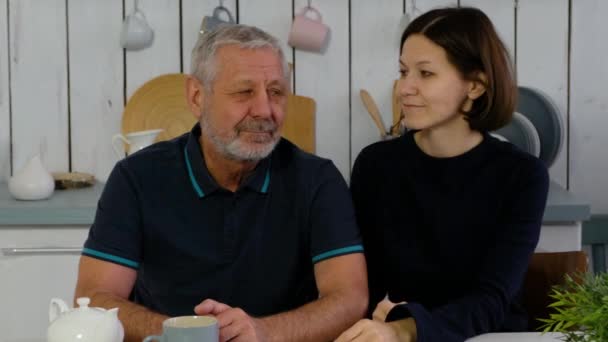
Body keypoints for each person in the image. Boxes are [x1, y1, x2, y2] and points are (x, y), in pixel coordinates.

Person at [74, 25, 368, 342]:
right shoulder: (136, 178)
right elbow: (95, 298)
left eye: (276, 92)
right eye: (244, 92)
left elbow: (350, 298)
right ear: (197, 97)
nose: (264, 110)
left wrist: (262, 331)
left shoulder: (318, 180)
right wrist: (190, 335)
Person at [336, 7, 549, 342]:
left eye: (425, 74)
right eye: (403, 71)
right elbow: (363, 282)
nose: (404, 88)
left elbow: (492, 301)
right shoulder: (375, 165)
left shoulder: (521, 175)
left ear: (475, 86)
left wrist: (406, 327)